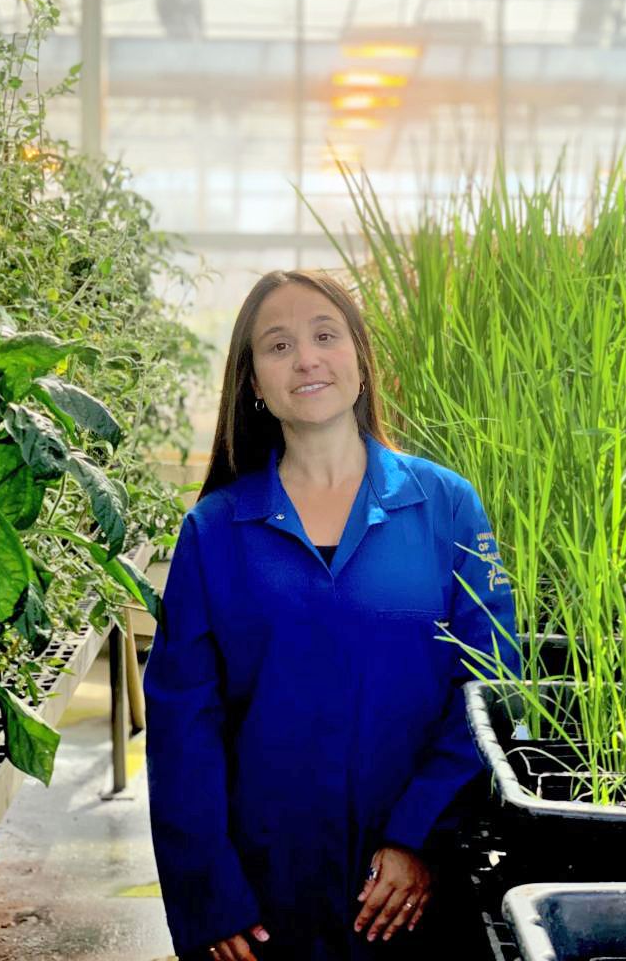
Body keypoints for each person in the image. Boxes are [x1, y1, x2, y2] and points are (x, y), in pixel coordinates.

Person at [142, 269, 520, 961]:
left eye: (325, 336)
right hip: (263, 896)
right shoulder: (215, 530)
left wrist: (417, 838)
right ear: (253, 383)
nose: (307, 358)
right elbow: (181, 726)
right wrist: (211, 894)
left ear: (360, 360)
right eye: (278, 346)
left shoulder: (446, 506)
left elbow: (490, 683)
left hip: (412, 893)